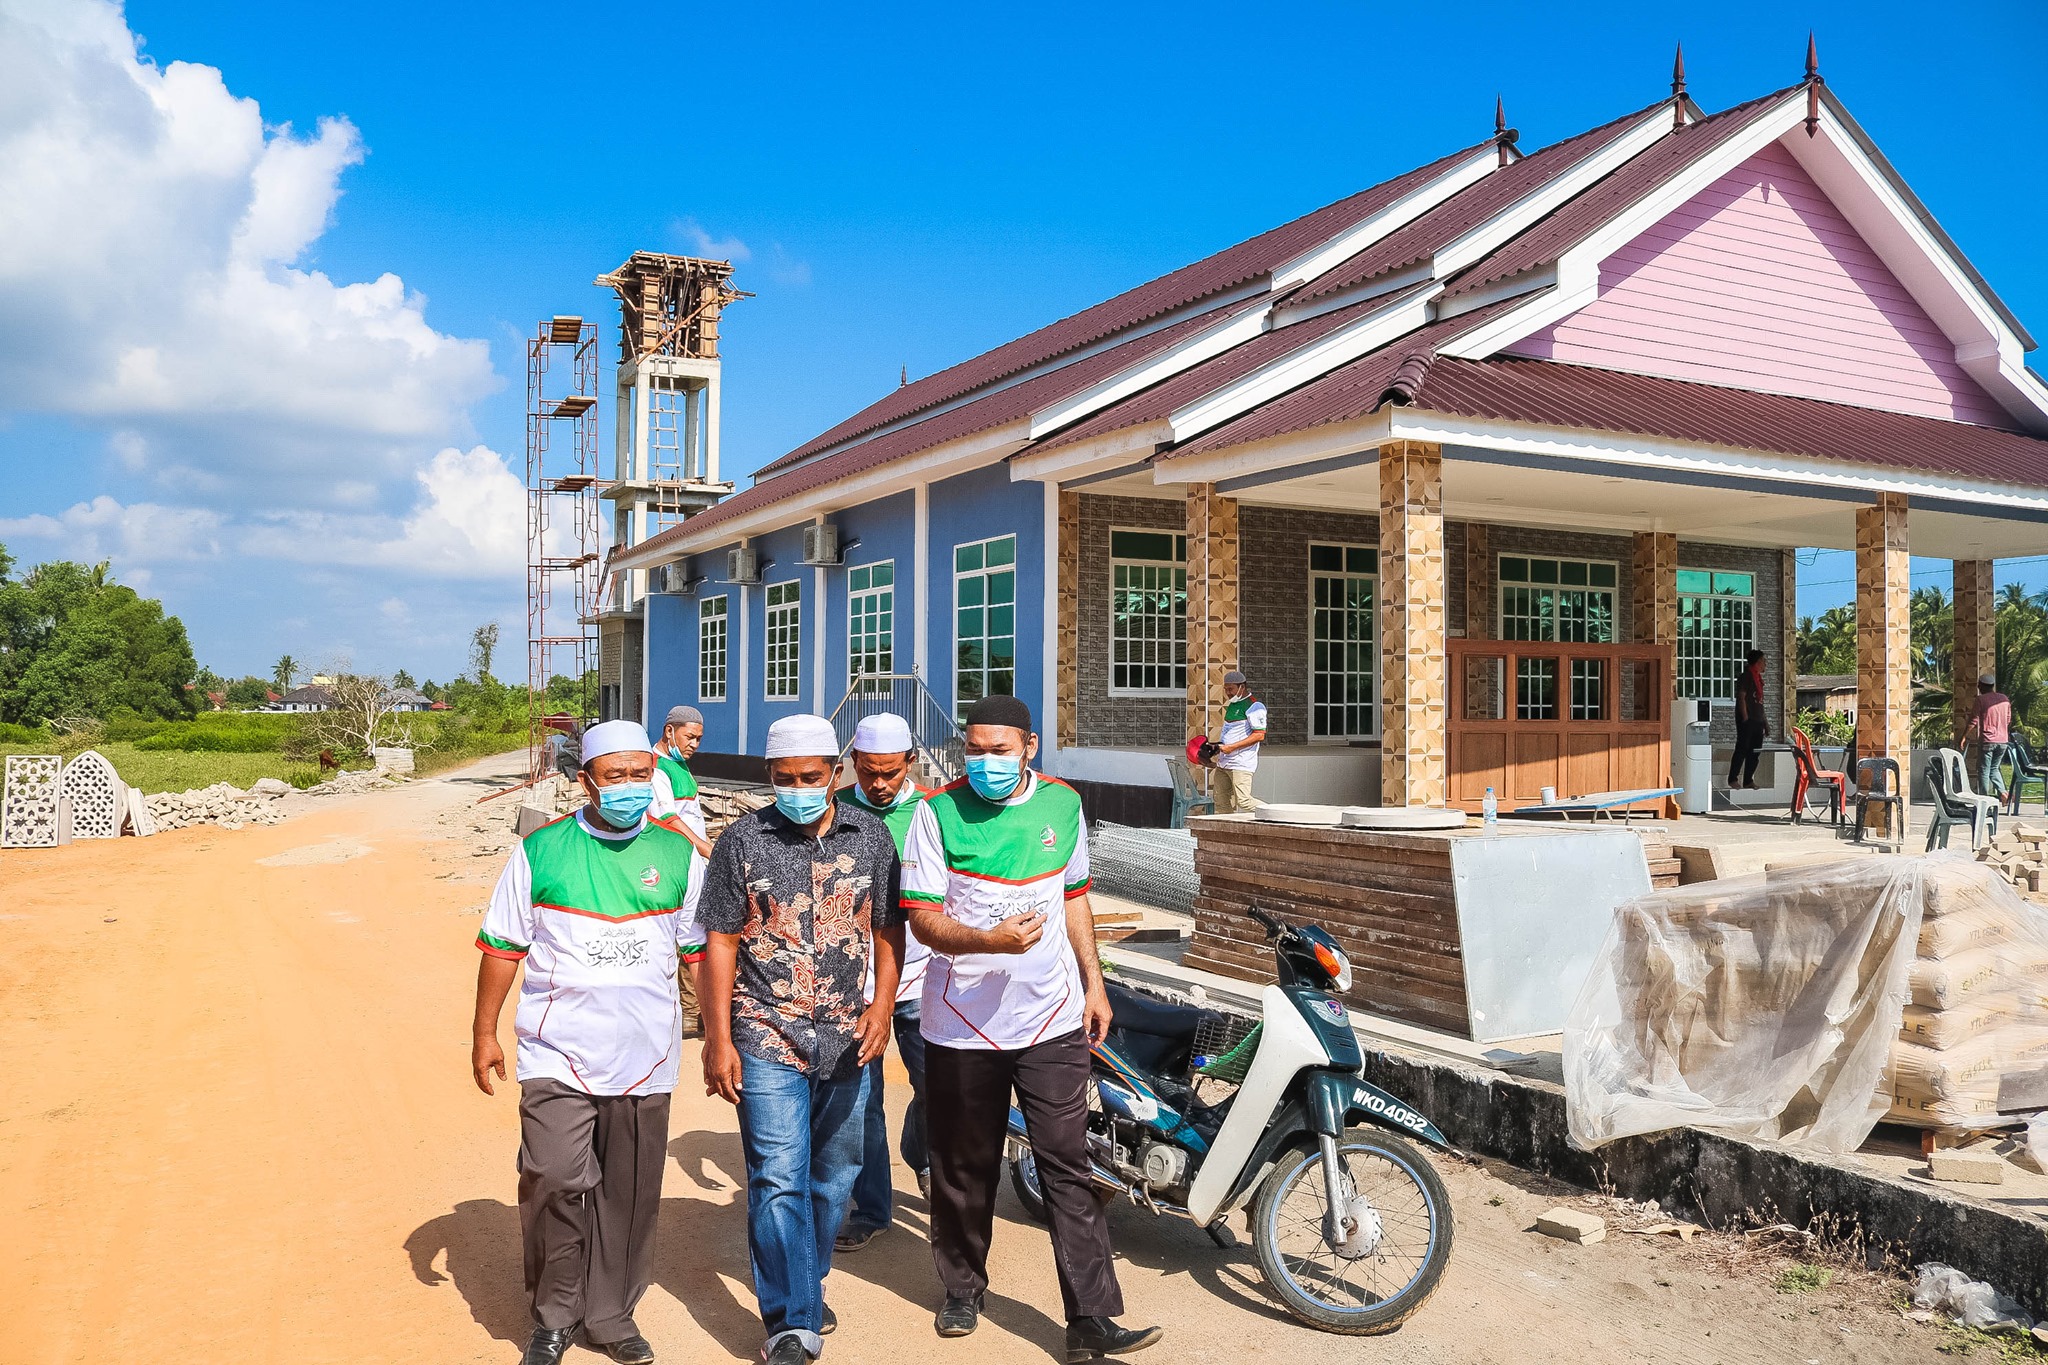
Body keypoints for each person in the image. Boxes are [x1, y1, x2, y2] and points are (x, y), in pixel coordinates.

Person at [900, 694, 1161, 1362]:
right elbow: (923, 917)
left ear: (1029, 746)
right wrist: (990, 939)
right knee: (965, 1165)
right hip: (962, 1021)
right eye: (975, 749)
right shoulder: (937, 813)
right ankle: (962, 1288)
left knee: (1067, 1163)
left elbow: (1073, 895)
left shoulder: (1062, 805)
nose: (985, 761)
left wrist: (1094, 981)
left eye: (999, 749)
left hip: (1049, 1016)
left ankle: (1091, 1318)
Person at [470, 719, 707, 1365]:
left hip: (646, 1055)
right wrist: (484, 1031)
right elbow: (502, 947)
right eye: (615, 775)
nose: (630, 786)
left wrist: (720, 1034)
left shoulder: (681, 854)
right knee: (551, 1174)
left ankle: (610, 1313)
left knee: (627, 1195)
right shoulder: (541, 850)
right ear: (586, 781)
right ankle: (554, 1314)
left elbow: (698, 954)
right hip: (557, 1050)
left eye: (640, 774)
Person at [697, 714, 906, 1365]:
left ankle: (805, 1286)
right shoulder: (741, 842)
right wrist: (718, 1037)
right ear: (769, 777)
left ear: (834, 774)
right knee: (777, 1179)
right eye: (784, 779)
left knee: (833, 1176)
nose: (797, 788)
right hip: (767, 1036)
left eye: (809, 777)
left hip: (849, 1040)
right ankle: (791, 1321)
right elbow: (720, 941)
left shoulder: (870, 836)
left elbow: (889, 929)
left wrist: (883, 1005)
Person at [834, 713, 934, 1253]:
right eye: (869, 772)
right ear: (853, 766)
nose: (879, 783)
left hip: (921, 974)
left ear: (909, 764)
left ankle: (920, 1155)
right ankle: (872, 1207)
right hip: (857, 983)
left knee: (937, 1088)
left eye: (890, 773)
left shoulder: (932, 814)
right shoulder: (834, 812)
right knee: (862, 1100)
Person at [1209, 669, 1266, 814]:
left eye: (1231, 689)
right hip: (1224, 762)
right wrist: (1217, 746)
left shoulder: (1254, 706)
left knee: (1244, 801)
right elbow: (1232, 733)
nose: (1228, 693)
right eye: (1226, 689)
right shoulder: (1232, 705)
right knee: (1221, 802)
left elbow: (1259, 735)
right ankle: (1224, 835)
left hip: (1241, 763)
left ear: (1242, 686)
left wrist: (1232, 747)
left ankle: (1275, 813)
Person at [651, 704, 708, 840]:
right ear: (669, 731)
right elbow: (668, 820)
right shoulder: (657, 768)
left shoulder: (679, 762)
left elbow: (693, 813)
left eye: (698, 739)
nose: (694, 744)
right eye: (689, 737)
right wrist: (707, 850)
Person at [1962, 673, 2014, 799]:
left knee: (1984, 771)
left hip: (1988, 741)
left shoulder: (1981, 700)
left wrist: (1963, 737)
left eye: (1979, 685)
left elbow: (1973, 721)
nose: (1978, 687)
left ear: (1982, 686)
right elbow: (2008, 720)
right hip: (2003, 741)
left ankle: (1984, 799)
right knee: (1994, 769)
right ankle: (2003, 792)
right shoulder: (2005, 699)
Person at [1729, 649, 1768, 790]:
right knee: (1742, 748)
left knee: (1755, 751)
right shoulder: (1746, 676)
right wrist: (1745, 717)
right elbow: (1741, 697)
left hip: (1757, 720)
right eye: (1763, 661)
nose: (1765, 664)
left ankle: (1748, 780)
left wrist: (1765, 723)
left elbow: (1760, 702)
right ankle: (1733, 778)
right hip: (1748, 720)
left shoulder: (1758, 679)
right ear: (1757, 662)